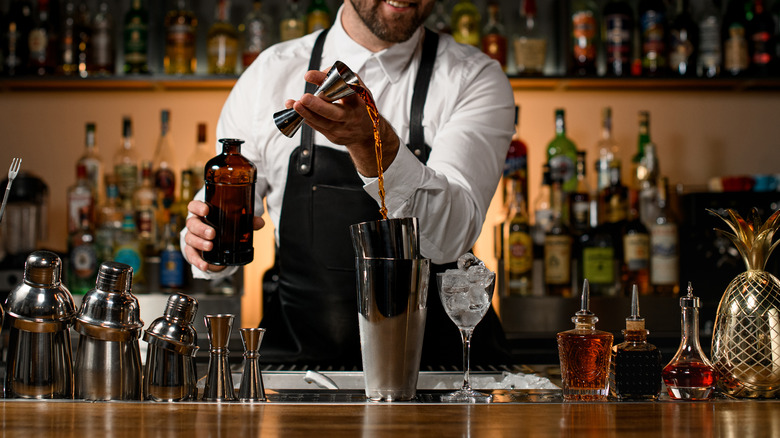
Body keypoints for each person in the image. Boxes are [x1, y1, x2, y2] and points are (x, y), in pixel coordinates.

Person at [182, 0, 515, 368]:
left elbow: (451, 236)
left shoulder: (473, 77)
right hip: (300, 371)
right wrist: (204, 241)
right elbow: (225, 206)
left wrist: (373, 144)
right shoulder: (269, 74)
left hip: (438, 374)